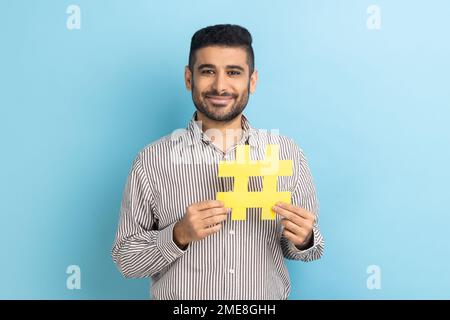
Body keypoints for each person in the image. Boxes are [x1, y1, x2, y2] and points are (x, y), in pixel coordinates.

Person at [112, 24, 324, 299]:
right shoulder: (151, 161)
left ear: (253, 80)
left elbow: (312, 248)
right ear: (189, 78)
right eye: (207, 71)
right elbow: (126, 260)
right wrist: (178, 235)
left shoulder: (288, 154)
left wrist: (305, 239)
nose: (220, 86)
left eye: (234, 72)